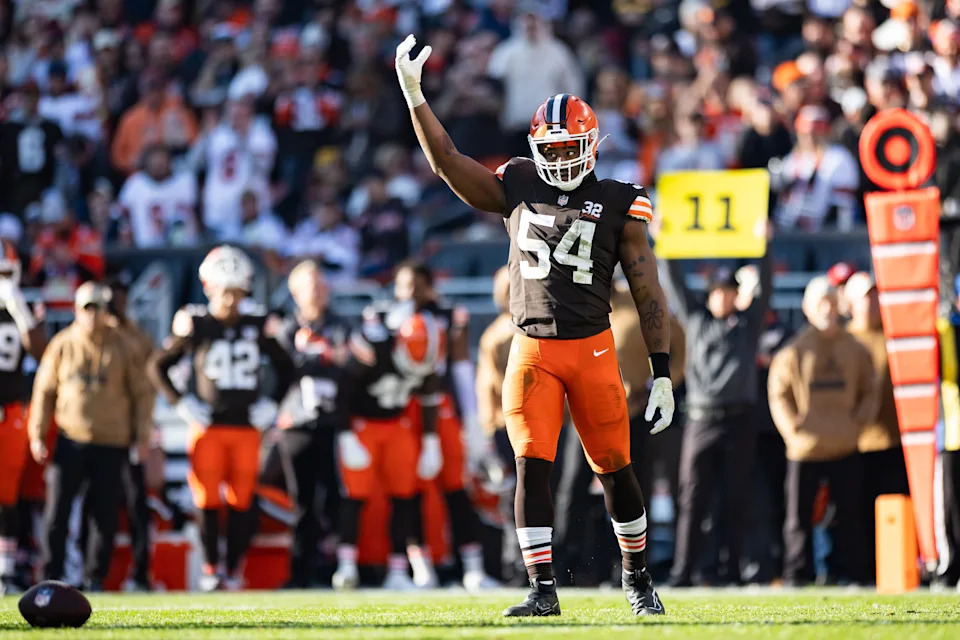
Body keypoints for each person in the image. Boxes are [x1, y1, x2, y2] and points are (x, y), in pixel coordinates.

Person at [397, 36, 674, 616]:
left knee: (615, 469)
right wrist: (415, 95)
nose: (562, 158)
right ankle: (542, 590)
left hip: (593, 349)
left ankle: (637, 577)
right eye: (553, 147)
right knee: (531, 466)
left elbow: (648, 292)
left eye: (571, 147)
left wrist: (663, 371)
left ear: (592, 145)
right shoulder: (518, 182)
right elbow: (448, 162)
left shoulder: (621, 202)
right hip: (532, 349)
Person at [147, 246, 295, 591]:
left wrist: (272, 403)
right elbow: (157, 365)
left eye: (236, 290)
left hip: (245, 426)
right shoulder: (196, 324)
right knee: (207, 499)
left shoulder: (258, 323)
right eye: (224, 289)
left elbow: (287, 367)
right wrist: (181, 404)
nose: (230, 298)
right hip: (208, 426)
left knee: (243, 499)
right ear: (209, 286)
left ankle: (232, 566)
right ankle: (213, 568)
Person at [661, 242, 773, 586]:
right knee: (693, 498)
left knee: (736, 499)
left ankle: (733, 570)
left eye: (730, 292)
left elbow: (766, 286)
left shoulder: (747, 325)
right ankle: (684, 572)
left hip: (739, 419)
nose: (724, 298)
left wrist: (762, 245)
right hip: (701, 418)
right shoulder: (695, 320)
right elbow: (674, 281)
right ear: (709, 295)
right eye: (719, 292)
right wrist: (666, 243)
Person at [28, 282, 153, 591]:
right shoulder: (63, 344)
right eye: (88, 308)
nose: (94, 315)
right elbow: (44, 391)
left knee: (104, 514)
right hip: (71, 437)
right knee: (57, 510)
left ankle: (95, 576)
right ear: (77, 310)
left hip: (112, 440)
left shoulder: (124, 343)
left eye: (100, 308)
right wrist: (37, 434)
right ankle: (50, 575)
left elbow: (142, 392)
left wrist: (142, 435)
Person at [392, 260, 499, 591]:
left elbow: (462, 368)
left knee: (456, 485)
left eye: (417, 285)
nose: (411, 293)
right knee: (409, 490)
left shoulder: (449, 315)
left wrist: (472, 418)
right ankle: (417, 565)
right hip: (405, 412)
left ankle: (472, 566)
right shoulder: (388, 320)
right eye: (404, 285)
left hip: (441, 408)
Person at [767, 276, 877, 585]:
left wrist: (858, 425)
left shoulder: (855, 350)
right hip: (806, 447)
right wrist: (793, 431)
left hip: (845, 443)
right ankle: (797, 575)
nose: (826, 310)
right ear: (807, 308)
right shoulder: (794, 352)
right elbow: (779, 394)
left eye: (830, 302)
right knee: (798, 518)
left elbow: (870, 390)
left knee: (850, 516)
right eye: (820, 304)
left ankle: (853, 574)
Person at [331, 305, 445, 592]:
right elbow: (341, 390)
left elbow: (429, 396)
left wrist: (431, 441)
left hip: (397, 424)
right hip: (362, 424)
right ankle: (346, 567)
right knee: (354, 496)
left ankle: (398, 569)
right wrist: (345, 434)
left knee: (404, 495)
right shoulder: (373, 344)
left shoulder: (430, 356)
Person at [269, 261, 351, 588]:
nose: (317, 291)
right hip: (297, 422)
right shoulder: (286, 326)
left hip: (334, 422)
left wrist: (315, 356)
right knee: (301, 501)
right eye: (309, 285)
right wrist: (324, 356)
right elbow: (283, 368)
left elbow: (348, 362)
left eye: (320, 284)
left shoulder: (339, 323)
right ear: (295, 292)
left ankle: (337, 567)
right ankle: (301, 571)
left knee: (334, 497)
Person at [844, 271, 909, 581]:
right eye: (863, 297)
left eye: (874, 296)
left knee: (896, 512)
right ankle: (861, 572)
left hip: (893, 439)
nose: (870, 304)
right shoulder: (843, 341)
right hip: (854, 443)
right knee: (856, 515)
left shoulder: (895, 338)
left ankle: (897, 570)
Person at [0, 240, 47, 594]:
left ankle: (7, 567)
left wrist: (22, 313)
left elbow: (42, 354)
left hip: (11, 411)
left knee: (8, 494)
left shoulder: (24, 307)